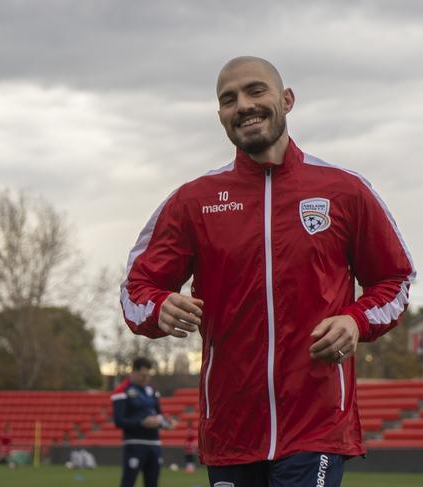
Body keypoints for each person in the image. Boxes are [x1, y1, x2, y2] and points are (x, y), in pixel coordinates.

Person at [120, 56, 415, 487]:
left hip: (316, 424)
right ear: (220, 115)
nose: (243, 104)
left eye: (256, 91)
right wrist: (159, 307)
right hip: (231, 429)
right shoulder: (193, 200)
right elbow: (136, 288)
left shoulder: (344, 190)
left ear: (287, 99)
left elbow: (396, 280)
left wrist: (356, 319)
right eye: (228, 99)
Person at [111, 357, 175, 487]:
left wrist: (166, 423)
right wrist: (141, 422)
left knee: (153, 483)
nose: (146, 378)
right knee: (128, 482)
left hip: (155, 443)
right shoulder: (122, 391)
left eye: (148, 375)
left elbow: (159, 414)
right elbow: (118, 421)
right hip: (134, 443)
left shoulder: (152, 391)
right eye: (142, 375)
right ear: (133, 372)